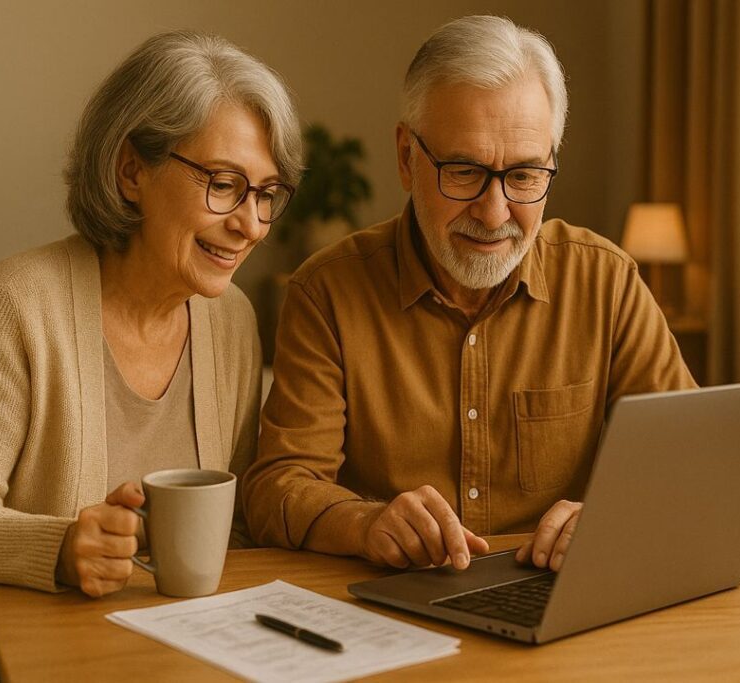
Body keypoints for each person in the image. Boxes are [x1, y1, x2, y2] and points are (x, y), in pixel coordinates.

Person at [0, 30, 301, 682]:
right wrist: (61, 546)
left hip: (140, 631)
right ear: (132, 170)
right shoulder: (17, 300)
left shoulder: (232, 320)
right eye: (223, 183)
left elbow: (228, 523)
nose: (251, 223)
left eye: (266, 193)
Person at [243, 15, 695, 576]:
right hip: (392, 609)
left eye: (525, 176)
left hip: (557, 604)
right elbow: (278, 487)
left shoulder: (607, 283)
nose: (494, 211)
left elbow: (689, 464)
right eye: (463, 171)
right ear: (407, 157)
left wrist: (612, 517)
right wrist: (364, 523)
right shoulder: (327, 292)